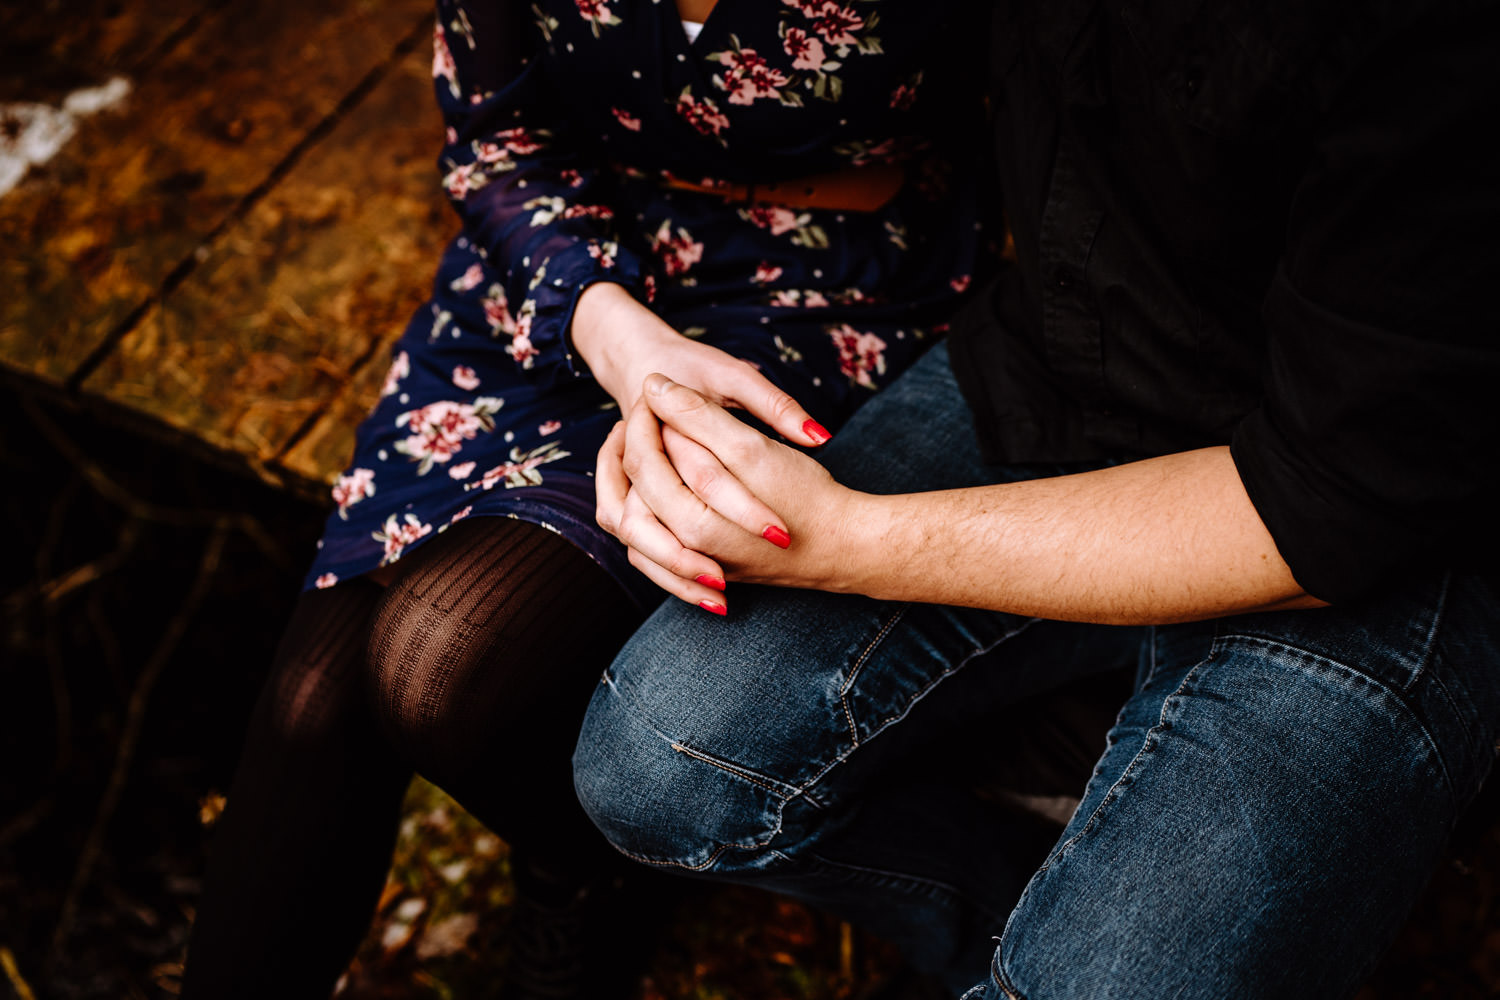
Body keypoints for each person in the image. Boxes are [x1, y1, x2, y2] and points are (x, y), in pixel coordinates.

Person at [571, 0, 1500, 995]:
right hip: (1057, 376)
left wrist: (845, 536)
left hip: (1374, 541)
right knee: (653, 766)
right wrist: (663, 389)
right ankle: (1014, 928)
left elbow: (1330, 502)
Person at [178, 0, 992, 996]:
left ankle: (580, 869)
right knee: (312, 706)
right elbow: (496, 136)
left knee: (439, 666)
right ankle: (588, 857)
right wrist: (609, 329)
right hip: (557, 278)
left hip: (823, 297)